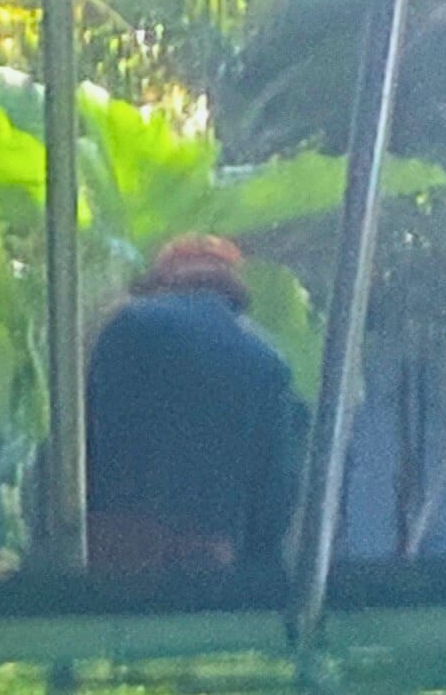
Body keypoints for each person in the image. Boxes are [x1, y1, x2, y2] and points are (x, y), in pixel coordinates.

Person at [79, 230, 302, 583]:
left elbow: (77, 443)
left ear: (161, 279)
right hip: (207, 563)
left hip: (111, 551)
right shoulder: (269, 361)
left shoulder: (126, 325)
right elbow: (273, 504)